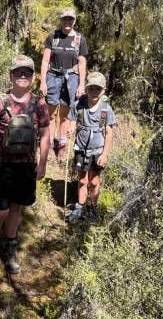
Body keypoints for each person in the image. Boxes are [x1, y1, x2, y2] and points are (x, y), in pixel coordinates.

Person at [0, 55, 50, 274]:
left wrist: (42, 164)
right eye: (18, 72)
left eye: (27, 72)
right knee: (0, 211)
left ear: (33, 77)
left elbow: (46, 133)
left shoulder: (39, 104)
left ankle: (9, 251)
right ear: (11, 76)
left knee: (16, 209)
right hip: (2, 166)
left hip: (26, 167)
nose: (23, 76)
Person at [39, 7, 88, 161]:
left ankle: (62, 145)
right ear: (61, 20)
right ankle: (50, 142)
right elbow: (45, 60)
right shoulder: (53, 37)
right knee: (51, 112)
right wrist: (43, 82)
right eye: (65, 19)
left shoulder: (80, 39)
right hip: (53, 76)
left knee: (66, 114)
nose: (67, 22)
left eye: (70, 19)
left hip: (72, 78)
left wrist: (81, 85)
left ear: (74, 21)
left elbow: (82, 63)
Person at [67, 72, 116, 222]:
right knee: (82, 180)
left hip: (97, 151)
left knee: (94, 181)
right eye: (91, 88)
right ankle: (79, 207)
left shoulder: (106, 109)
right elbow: (72, 121)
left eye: (98, 89)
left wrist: (105, 154)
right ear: (86, 89)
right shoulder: (79, 105)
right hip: (81, 149)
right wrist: (71, 128)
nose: (94, 92)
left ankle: (93, 208)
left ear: (103, 90)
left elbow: (109, 133)